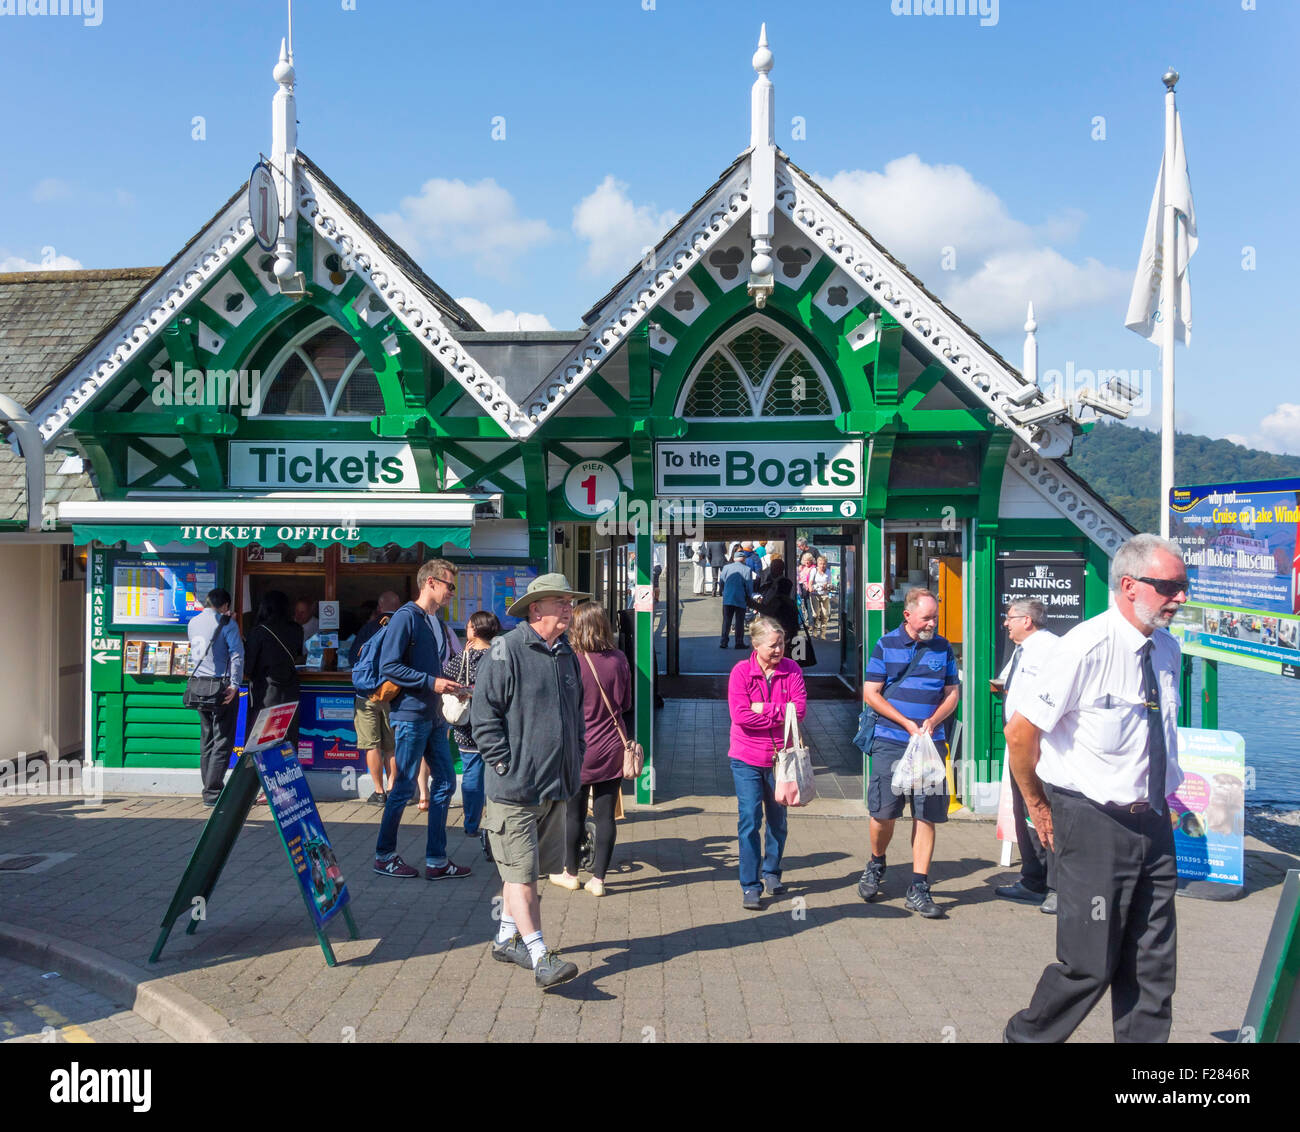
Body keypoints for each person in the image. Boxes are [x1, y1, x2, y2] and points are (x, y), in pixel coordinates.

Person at [1003, 534, 1187, 1043]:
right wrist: (1039, 807)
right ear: (1130, 586)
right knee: (1088, 964)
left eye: (1183, 585)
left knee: (1153, 967)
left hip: (1152, 819)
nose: (1181, 597)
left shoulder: (1168, 649)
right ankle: (1024, 1039)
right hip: (1091, 821)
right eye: (1170, 586)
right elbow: (1020, 733)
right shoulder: (1083, 648)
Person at [472, 573, 589, 990]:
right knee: (522, 874)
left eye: (570, 602)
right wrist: (506, 766)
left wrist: (576, 755)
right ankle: (541, 956)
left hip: (553, 787)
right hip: (514, 791)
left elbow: (575, 714)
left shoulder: (566, 654)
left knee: (527, 871)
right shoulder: (505, 651)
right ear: (536, 608)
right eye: (561, 601)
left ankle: (506, 938)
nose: (569, 609)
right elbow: (483, 718)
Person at [857, 587, 960, 918]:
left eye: (935, 617)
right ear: (908, 615)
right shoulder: (886, 644)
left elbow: (952, 693)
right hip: (891, 739)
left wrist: (933, 720)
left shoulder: (943, 648)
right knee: (884, 813)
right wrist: (905, 722)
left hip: (930, 743)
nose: (932, 623)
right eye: (927, 617)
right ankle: (876, 861)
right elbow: (871, 693)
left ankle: (919, 886)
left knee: (925, 813)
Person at [371, 560, 471, 881]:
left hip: (434, 716)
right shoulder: (405, 618)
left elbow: (434, 668)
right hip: (411, 716)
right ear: (430, 582)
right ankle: (384, 856)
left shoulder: (433, 622)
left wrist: (453, 686)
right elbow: (390, 667)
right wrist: (433, 683)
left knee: (444, 782)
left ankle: (436, 859)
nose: (452, 593)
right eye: (449, 586)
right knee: (403, 788)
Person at [727, 615, 806, 910]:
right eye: (773, 645)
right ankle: (750, 884)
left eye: (781, 643)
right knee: (749, 820)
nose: (778, 650)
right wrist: (779, 712)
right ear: (756, 644)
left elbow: (798, 712)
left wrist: (763, 709)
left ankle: (772, 871)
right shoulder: (740, 673)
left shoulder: (792, 670)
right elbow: (740, 716)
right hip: (746, 757)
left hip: (781, 759)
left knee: (778, 821)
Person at [553, 602, 631, 897]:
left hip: (577, 748)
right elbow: (625, 704)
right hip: (611, 747)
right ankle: (598, 880)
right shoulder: (619, 658)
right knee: (605, 817)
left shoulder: (569, 659)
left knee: (572, 815)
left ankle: (570, 873)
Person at [992, 599, 1058, 910]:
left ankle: (1057, 887)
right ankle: (1033, 880)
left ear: (1027, 621)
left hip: (1039, 746)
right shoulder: (1023, 650)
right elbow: (1006, 683)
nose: (1006, 624)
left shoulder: (1050, 649)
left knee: (1044, 812)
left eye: (1010, 618)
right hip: (1019, 744)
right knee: (1023, 811)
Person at [447, 609, 501, 845]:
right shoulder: (500, 657)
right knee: (498, 775)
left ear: (475, 630)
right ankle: (496, 822)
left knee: (471, 775)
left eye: (469, 625)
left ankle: (471, 824)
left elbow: (447, 680)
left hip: (467, 727)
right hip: (496, 726)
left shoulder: (463, 659)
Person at [186, 588, 244, 806]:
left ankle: (208, 788)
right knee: (223, 739)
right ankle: (212, 792)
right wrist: (235, 685)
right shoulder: (228, 624)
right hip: (221, 686)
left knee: (207, 738)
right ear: (226, 606)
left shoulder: (193, 623)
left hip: (199, 686)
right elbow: (237, 655)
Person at [350, 591, 401, 805]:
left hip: (366, 695)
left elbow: (353, 657)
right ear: (398, 608)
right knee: (391, 746)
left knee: (372, 745)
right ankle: (393, 790)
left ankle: (378, 792)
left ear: (379, 607)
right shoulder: (402, 627)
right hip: (392, 694)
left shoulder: (369, 628)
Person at [244, 589, 303, 746]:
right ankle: (286, 768)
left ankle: (264, 770)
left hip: (265, 691)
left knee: (262, 738)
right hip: (291, 689)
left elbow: (248, 666)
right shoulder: (297, 629)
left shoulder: (258, 632)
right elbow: (298, 654)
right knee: (288, 735)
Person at [749, 557, 799, 643]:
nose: (772, 570)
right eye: (772, 567)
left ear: (781, 569)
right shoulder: (771, 582)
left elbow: (769, 609)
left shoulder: (783, 583)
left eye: (775, 568)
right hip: (779, 623)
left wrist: (751, 603)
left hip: (781, 623)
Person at [719, 547, 755, 649]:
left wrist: (723, 592)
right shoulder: (747, 569)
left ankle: (723, 641)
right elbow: (748, 585)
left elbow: (721, 582)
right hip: (740, 598)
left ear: (734, 558)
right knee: (739, 621)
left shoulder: (726, 568)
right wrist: (748, 596)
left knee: (726, 621)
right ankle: (739, 642)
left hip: (728, 598)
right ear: (743, 559)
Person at [811, 556, 832, 635]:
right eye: (820, 564)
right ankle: (815, 631)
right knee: (815, 614)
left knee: (824, 614)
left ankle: (823, 633)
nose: (822, 565)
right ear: (817, 563)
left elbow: (829, 583)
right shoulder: (814, 570)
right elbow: (810, 582)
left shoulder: (828, 572)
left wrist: (827, 585)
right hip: (815, 594)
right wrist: (810, 588)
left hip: (824, 594)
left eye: (824, 564)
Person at [797, 551, 816, 632]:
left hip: (808, 589)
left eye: (808, 560)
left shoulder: (813, 569)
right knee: (804, 606)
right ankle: (808, 623)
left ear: (811, 560)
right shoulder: (803, 568)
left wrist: (809, 586)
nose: (807, 562)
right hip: (802, 588)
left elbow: (811, 580)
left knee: (809, 607)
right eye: (805, 560)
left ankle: (812, 624)